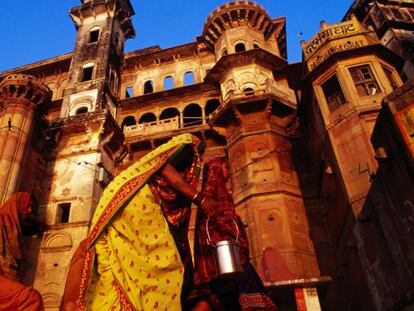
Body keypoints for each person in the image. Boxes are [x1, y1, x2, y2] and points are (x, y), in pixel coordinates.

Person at [61, 134, 217, 311]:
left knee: (129, 255)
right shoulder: (189, 147)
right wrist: (199, 198)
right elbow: (164, 168)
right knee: (164, 260)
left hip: (124, 198)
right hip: (136, 200)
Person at [192, 157, 278, 311]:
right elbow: (220, 227)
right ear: (217, 170)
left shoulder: (215, 196)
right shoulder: (212, 198)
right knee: (250, 296)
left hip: (217, 264)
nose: (230, 174)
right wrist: (238, 240)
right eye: (227, 168)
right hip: (228, 261)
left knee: (215, 301)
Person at [0, 192, 45, 311]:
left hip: (6, 276)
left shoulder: (14, 224)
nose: (29, 210)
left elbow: (27, 227)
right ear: (18, 204)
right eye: (27, 206)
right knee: (30, 298)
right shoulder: (2, 219)